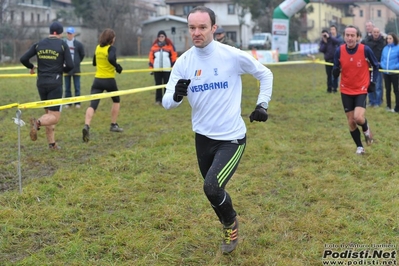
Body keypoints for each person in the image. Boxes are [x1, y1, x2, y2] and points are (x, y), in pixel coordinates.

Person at [162, 6, 273, 254]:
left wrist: (262, 104)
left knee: (211, 187)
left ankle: (230, 222)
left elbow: (265, 74)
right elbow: (166, 102)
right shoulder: (184, 62)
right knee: (214, 191)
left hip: (231, 139)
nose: (197, 32)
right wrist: (177, 96)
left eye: (202, 27)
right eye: (192, 27)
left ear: (214, 28)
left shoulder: (231, 55)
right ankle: (226, 222)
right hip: (202, 138)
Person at [20, 21, 74, 150]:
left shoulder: (39, 44)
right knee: (54, 117)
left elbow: (23, 59)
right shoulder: (62, 45)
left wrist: (32, 67)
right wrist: (62, 70)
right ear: (60, 33)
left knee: (48, 114)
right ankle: (37, 123)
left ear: (50, 32)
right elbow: (71, 66)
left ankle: (52, 144)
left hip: (41, 83)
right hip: (55, 83)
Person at [333, 25, 378, 155]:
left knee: (358, 118)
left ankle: (366, 128)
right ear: (344, 36)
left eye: (353, 35)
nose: (350, 38)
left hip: (361, 88)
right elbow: (336, 69)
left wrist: (373, 81)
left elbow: (375, 65)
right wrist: (335, 72)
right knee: (351, 121)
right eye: (347, 35)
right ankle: (359, 147)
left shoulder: (365, 50)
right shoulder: (339, 50)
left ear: (358, 37)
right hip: (346, 89)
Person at [82, 28, 123, 143]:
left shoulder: (98, 48)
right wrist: (117, 66)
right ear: (111, 39)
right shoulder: (111, 48)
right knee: (116, 100)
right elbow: (110, 58)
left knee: (93, 104)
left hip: (98, 80)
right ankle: (113, 124)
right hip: (109, 80)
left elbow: (94, 62)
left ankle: (86, 125)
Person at [148, 30, 177, 105]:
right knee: (158, 85)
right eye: (159, 36)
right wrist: (151, 69)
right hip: (157, 69)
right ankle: (158, 100)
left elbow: (174, 57)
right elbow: (151, 58)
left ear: (165, 37)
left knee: (167, 85)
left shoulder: (170, 46)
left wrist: (173, 67)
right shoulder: (154, 47)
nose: (161, 38)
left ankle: (166, 100)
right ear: (157, 38)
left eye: (162, 36)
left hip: (167, 69)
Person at [361, 27, 385, 107]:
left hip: (378, 66)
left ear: (379, 33)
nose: (376, 33)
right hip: (368, 66)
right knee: (368, 84)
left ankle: (378, 102)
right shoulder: (367, 41)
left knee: (378, 86)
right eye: (374, 32)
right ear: (372, 33)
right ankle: (371, 101)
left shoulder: (383, 42)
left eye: (377, 32)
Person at [64, 26, 85, 108]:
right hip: (66, 68)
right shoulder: (63, 44)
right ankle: (68, 103)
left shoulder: (78, 45)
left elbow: (82, 54)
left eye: (71, 33)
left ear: (74, 34)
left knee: (77, 86)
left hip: (76, 68)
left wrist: (77, 61)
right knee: (67, 87)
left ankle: (77, 103)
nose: (69, 35)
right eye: (68, 33)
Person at [380, 32, 399, 113]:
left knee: (396, 90)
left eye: (390, 38)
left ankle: (397, 107)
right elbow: (382, 59)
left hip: (395, 73)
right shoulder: (385, 48)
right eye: (387, 38)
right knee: (387, 89)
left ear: (394, 39)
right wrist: (383, 65)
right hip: (386, 73)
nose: (388, 40)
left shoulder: (398, 48)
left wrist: (395, 66)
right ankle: (388, 106)